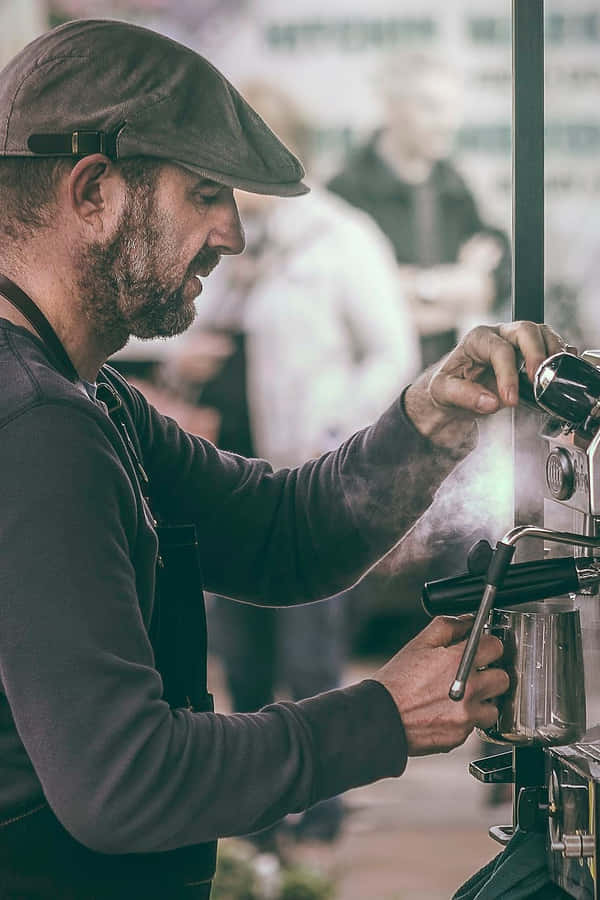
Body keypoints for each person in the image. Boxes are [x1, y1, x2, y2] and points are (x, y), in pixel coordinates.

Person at [0, 19, 564, 900]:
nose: (234, 233)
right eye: (204, 192)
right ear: (95, 192)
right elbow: (124, 783)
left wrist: (431, 418)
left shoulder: (91, 401)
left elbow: (281, 535)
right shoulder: (34, 425)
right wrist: (379, 716)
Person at [177, 80, 420, 843]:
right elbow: (189, 330)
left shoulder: (344, 239)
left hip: (307, 480)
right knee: (240, 661)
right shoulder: (233, 245)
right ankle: (258, 820)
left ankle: (320, 816)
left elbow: (394, 352)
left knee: (312, 658)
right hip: (230, 480)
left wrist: (333, 425)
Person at [328, 52, 511, 368]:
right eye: (431, 107)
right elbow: (347, 304)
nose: (447, 122)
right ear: (392, 108)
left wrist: (417, 288)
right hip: (371, 392)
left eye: (453, 108)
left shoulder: (456, 190)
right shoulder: (344, 193)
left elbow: (497, 282)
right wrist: (456, 286)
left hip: (450, 379)